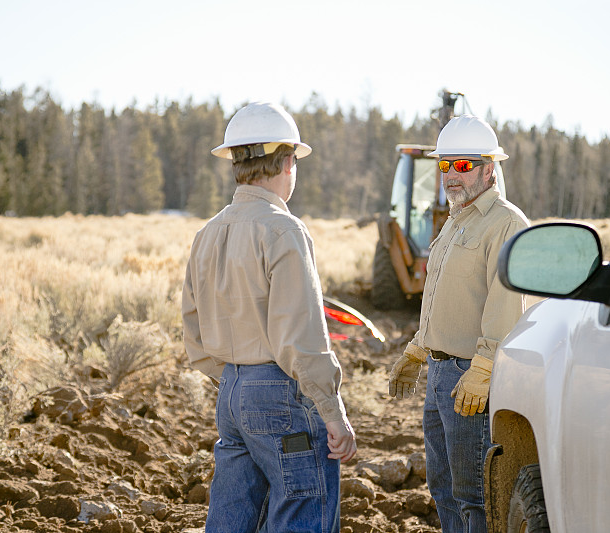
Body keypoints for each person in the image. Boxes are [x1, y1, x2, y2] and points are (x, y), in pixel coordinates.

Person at [182, 102, 357, 533]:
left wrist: (237, 383)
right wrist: (332, 411)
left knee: (232, 519)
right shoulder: (283, 229)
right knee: (303, 510)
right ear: (286, 161)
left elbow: (192, 325)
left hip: (231, 393)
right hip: (278, 393)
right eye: (294, 159)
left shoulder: (208, 233)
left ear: (237, 162)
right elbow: (301, 336)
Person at [388, 115, 530, 533]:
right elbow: (441, 299)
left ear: (489, 168)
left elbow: (505, 305)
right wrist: (417, 350)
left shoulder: (505, 222)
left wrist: (482, 370)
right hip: (440, 374)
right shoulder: (455, 219)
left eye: (463, 165)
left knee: (475, 499)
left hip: (470, 381)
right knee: (444, 489)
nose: (451, 174)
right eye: (445, 165)